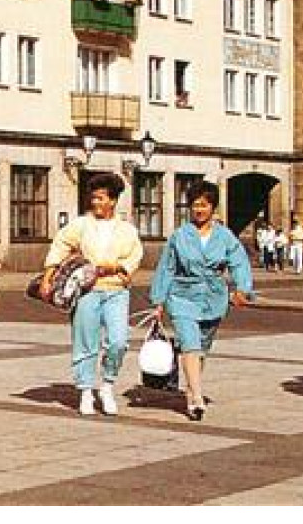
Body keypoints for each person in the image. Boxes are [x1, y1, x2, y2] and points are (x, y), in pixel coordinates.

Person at [150, 180, 255, 421]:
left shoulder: (225, 236)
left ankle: (190, 384)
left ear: (213, 208)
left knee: (201, 349)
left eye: (204, 205)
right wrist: (158, 301)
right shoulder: (179, 236)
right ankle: (196, 397)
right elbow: (166, 268)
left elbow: (238, 262)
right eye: (195, 205)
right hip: (182, 296)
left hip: (213, 298)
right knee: (190, 343)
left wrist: (242, 288)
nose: (199, 210)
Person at [41, 172, 144, 417]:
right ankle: (86, 390)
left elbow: (134, 257)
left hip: (116, 291)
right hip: (86, 291)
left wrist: (118, 268)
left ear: (113, 200)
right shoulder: (81, 225)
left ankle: (107, 385)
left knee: (118, 341)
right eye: (94, 198)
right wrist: (48, 277)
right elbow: (60, 245)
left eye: (101, 198)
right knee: (86, 342)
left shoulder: (127, 230)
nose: (96, 203)